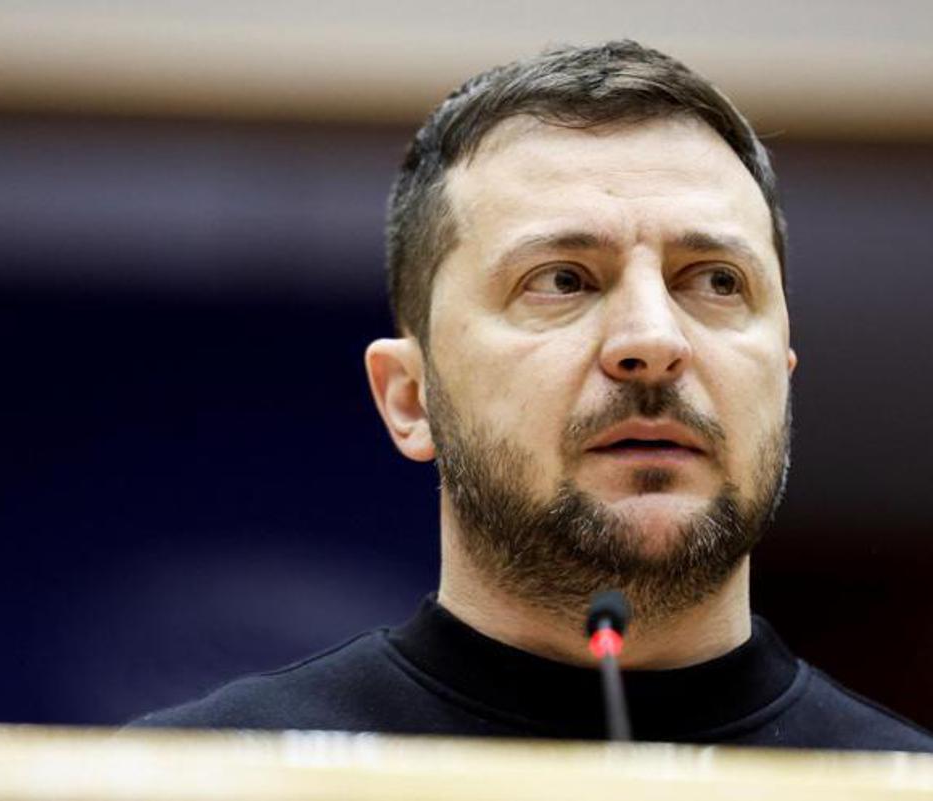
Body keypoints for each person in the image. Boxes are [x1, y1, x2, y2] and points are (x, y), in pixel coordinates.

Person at [132, 40, 933, 751]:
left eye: (717, 281)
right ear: (410, 398)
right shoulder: (186, 776)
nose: (653, 340)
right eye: (561, 280)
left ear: (781, 379)